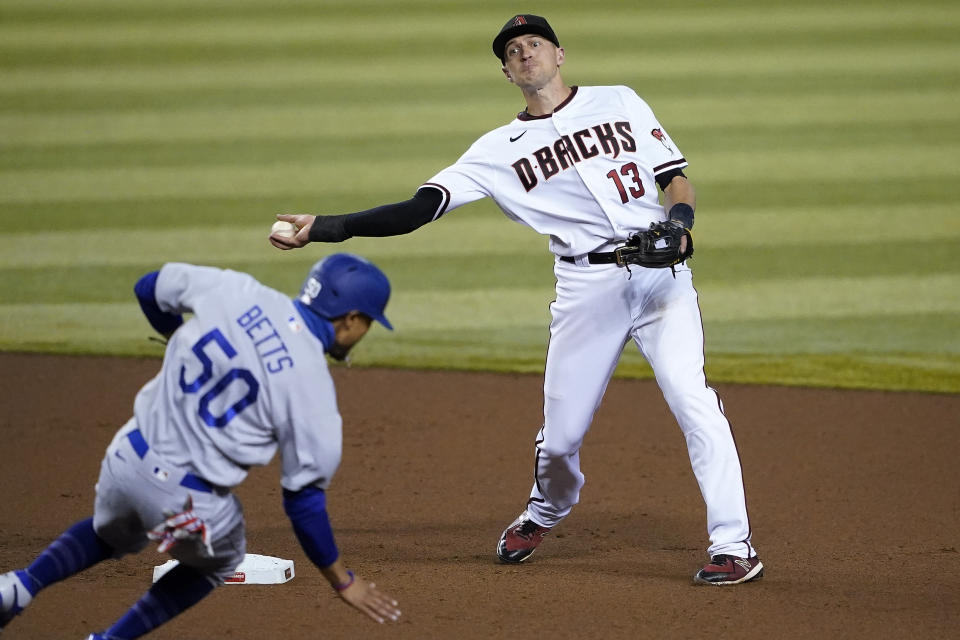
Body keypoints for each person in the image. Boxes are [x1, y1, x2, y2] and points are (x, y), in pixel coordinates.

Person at [268, 15, 762, 586]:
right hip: (586, 290)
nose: (525, 53)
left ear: (560, 54)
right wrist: (325, 227)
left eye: (535, 43)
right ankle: (545, 510)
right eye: (513, 50)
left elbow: (675, 178)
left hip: (662, 278)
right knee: (561, 440)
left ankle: (733, 544)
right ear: (506, 73)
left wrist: (679, 221)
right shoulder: (494, 151)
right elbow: (415, 210)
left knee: (692, 399)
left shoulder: (619, 100)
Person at [0, 254, 403, 638]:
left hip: (126, 456)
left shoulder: (239, 290)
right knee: (221, 560)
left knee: (112, 532)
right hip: (182, 501)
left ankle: (21, 585)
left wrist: (177, 338)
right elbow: (304, 503)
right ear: (351, 319)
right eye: (368, 322)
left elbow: (148, 287)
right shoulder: (314, 393)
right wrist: (342, 581)